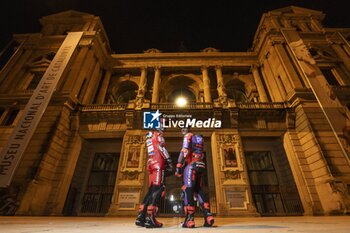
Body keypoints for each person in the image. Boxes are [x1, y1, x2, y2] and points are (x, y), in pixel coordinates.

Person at [175, 127, 214, 228]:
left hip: (191, 166)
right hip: (200, 165)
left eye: (183, 129)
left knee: (188, 190)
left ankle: (190, 220)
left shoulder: (188, 136)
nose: (182, 131)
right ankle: (208, 216)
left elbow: (184, 151)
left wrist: (178, 166)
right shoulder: (199, 138)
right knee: (198, 189)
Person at [135, 126, 173, 228]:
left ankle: (141, 217)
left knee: (151, 190)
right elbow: (161, 147)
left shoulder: (149, 135)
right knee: (158, 189)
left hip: (150, 163)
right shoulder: (158, 134)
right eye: (163, 125)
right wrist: (169, 160)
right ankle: (150, 218)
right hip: (157, 164)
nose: (165, 128)